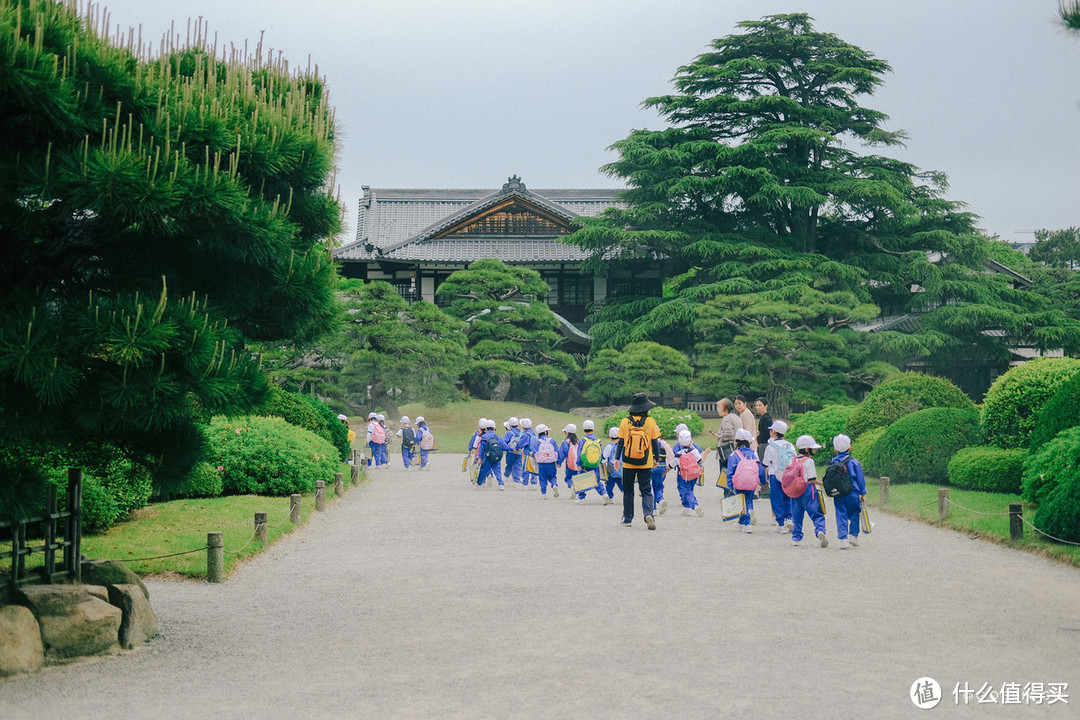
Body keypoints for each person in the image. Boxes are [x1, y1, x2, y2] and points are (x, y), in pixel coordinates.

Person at [616, 392, 661, 530]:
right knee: (646, 490)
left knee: (628, 490)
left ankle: (627, 518)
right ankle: (649, 515)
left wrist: (617, 458)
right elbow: (655, 442)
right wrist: (656, 458)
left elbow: (621, 442)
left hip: (628, 462)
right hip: (645, 462)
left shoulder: (625, 421)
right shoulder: (650, 422)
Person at [790, 435, 829, 548]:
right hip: (807, 490)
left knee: (796, 515)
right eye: (812, 448)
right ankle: (820, 531)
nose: (814, 450)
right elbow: (812, 479)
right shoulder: (809, 461)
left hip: (795, 491)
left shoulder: (793, 460)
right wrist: (822, 484)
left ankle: (796, 538)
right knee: (816, 514)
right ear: (807, 449)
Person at [829, 434, 867, 550]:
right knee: (855, 513)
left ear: (835, 449)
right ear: (850, 447)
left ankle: (843, 539)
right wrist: (863, 493)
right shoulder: (854, 462)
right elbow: (860, 479)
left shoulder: (833, 462)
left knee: (841, 514)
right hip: (853, 492)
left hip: (839, 493)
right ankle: (853, 536)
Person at [727, 428, 765, 532]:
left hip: (738, 483)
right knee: (747, 500)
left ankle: (747, 523)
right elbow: (759, 469)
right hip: (752, 483)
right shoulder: (753, 454)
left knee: (741, 502)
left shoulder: (733, 455)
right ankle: (741, 521)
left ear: (736, 442)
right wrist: (763, 481)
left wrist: (730, 485)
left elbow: (730, 472)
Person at [761, 420, 795, 533]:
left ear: (774, 432)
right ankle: (789, 519)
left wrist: (764, 480)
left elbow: (766, 464)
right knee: (788, 497)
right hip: (789, 475)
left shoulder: (770, 447)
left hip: (775, 475)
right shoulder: (790, 446)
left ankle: (780, 525)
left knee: (777, 499)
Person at [672, 429, 707, 517]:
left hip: (683, 476)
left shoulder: (679, 454)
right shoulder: (694, 451)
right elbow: (700, 461)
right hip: (694, 475)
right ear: (691, 441)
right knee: (690, 490)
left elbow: (671, 465)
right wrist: (706, 453)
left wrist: (664, 472)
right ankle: (686, 508)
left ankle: (695, 505)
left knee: (686, 491)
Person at [573, 419, 607, 503]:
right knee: (596, 480)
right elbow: (601, 453)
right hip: (595, 464)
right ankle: (604, 493)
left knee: (582, 480)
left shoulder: (582, 440)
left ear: (584, 430)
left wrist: (578, 464)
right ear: (593, 429)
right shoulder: (598, 441)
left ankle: (581, 498)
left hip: (585, 465)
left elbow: (579, 453)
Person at [709, 398, 741, 483]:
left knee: (726, 474)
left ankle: (728, 494)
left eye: (719, 407)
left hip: (726, 451)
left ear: (726, 409)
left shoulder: (726, 419)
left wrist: (719, 436)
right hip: (736, 450)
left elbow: (729, 433)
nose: (718, 410)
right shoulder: (736, 417)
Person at [476, 420, 506, 489]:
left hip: (487, 457)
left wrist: (480, 458)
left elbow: (481, 449)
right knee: (498, 471)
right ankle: (501, 484)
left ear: (486, 428)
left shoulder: (484, 437)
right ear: (494, 428)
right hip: (497, 457)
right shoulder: (497, 437)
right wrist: (512, 449)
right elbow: (504, 446)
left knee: (483, 470)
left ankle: (479, 484)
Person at [533, 424, 560, 497]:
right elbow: (557, 452)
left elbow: (535, 453)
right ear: (545, 432)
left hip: (541, 464)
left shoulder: (538, 442)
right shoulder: (552, 441)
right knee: (552, 476)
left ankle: (544, 493)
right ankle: (554, 484)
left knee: (542, 478)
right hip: (551, 463)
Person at [651, 433, 673, 515]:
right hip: (661, 469)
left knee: (650, 488)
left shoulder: (648, 443)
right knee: (659, 486)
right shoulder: (662, 444)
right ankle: (660, 499)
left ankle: (653, 509)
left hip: (650, 469)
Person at [601, 426, 622, 505]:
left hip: (611, 470)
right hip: (621, 470)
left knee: (609, 485)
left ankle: (610, 497)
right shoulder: (622, 446)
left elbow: (604, 456)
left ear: (610, 437)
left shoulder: (609, 446)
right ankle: (628, 496)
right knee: (622, 485)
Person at [559, 423, 580, 498]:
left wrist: (559, 463)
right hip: (578, 464)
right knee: (577, 477)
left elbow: (562, 453)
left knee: (568, 478)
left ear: (567, 432)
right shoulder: (579, 442)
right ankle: (577, 491)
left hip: (570, 464)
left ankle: (572, 486)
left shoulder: (565, 442)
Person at [503, 417, 523, 486]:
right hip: (519, 452)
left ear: (510, 425)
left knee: (509, 465)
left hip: (510, 452)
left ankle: (507, 475)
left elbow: (504, 442)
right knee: (518, 465)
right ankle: (517, 479)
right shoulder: (521, 433)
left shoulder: (509, 433)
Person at [519, 418, 539, 490]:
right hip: (535, 454)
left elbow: (520, 443)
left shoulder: (526, 435)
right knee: (534, 469)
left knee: (526, 469)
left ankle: (525, 484)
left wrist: (517, 447)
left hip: (528, 455)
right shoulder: (534, 434)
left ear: (523, 427)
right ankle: (534, 484)